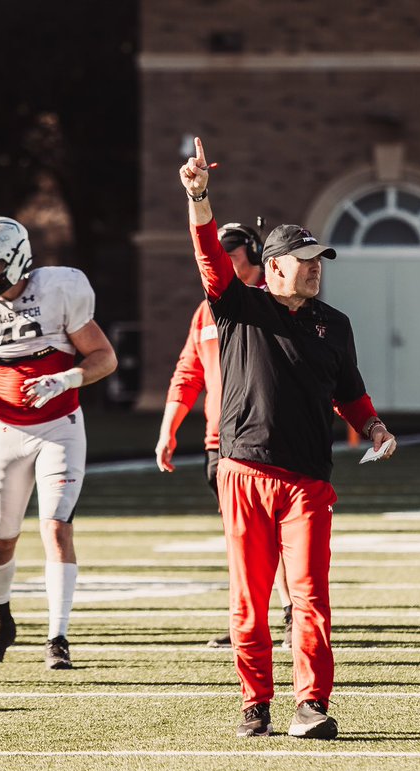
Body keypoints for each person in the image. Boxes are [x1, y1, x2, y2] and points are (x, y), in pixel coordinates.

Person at [179, 137, 397, 740]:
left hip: (308, 480)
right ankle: (255, 702)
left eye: (319, 259)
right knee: (248, 602)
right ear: (273, 266)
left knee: (310, 598)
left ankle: (312, 703)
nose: (315, 267)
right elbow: (207, 256)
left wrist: (373, 425)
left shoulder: (335, 324)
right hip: (245, 472)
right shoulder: (238, 305)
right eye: (304, 259)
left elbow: (348, 390)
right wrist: (199, 196)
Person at [0, 216, 116, 670]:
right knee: (0, 540)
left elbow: (104, 357)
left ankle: (57, 636)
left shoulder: (60, 289)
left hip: (60, 427)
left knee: (56, 527)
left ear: (18, 258)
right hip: (5, 432)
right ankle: (1, 619)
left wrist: (65, 378)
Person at [155, 221, 294, 650]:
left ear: (256, 259)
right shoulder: (205, 311)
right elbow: (187, 374)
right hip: (221, 443)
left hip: (271, 437)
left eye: (230, 258)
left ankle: (292, 614)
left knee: (279, 534)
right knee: (242, 539)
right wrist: (168, 430)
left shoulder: (277, 305)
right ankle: (248, 621)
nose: (221, 267)